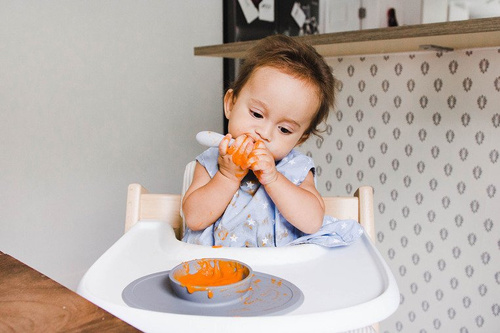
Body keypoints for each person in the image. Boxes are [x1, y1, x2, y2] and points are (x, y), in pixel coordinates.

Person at [182, 34, 362, 247]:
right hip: (219, 270)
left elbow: (313, 222)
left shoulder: (295, 169)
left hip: (280, 272)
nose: (265, 134)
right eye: (257, 114)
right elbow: (194, 219)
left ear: (300, 138)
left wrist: (273, 178)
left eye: (284, 129)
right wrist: (227, 176)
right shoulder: (212, 161)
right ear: (231, 103)